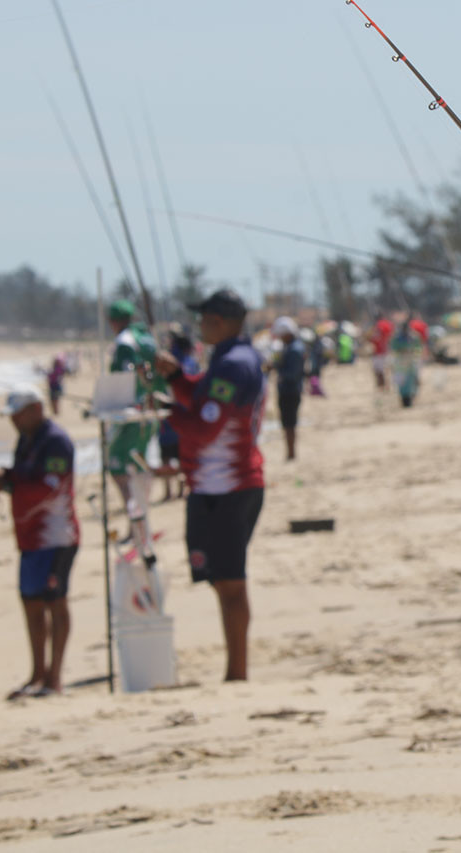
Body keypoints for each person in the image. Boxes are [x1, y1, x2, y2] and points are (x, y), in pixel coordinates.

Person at [155, 288, 265, 682]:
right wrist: (175, 379)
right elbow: (202, 402)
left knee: (231, 583)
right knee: (220, 580)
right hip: (212, 488)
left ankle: (238, 673)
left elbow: (204, 426)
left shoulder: (235, 364)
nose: (199, 327)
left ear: (218, 322)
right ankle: (235, 670)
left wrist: (166, 415)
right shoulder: (226, 360)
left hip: (231, 488)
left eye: (203, 320)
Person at [0, 387, 79, 700]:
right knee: (31, 602)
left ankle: (54, 679)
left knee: (55, 602)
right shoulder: (26, 439)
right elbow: (25, 475)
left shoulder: (56, 441)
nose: (14, 421)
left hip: (56, 536)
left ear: (36, 409)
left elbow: (49, 486)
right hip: (29, 537)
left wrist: (9, 482)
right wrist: (3, 476)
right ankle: (36, 675)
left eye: (18, 414)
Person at [106, 299, 160, 563]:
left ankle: (135, 525)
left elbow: (128, 374)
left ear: (113, 321)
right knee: (139, 467)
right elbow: (151, 372)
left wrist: (116, 402)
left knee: (119, 470)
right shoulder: (146, 338)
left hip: (130, 414)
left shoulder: (125, 342)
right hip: (150, 412)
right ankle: (141, 525)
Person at [155, 326, 196, 501]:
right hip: (181, 416)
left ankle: (169, 491)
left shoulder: (175, 362)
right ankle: (180, 489)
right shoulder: (190, 362)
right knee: (179, 455)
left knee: (168, 455)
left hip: (172, 415)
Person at [272, 316, 304, 461]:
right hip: (289, 390)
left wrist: (279, 371)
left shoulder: (294, 350)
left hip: (290, 391)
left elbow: (293, 373)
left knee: (289, 423)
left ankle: (291, 453)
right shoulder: (292, 347)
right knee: (288, 423)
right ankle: (290, 452)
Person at [391, 318, 423, 408]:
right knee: (404, 383)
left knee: (410, 382)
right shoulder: (400, 338)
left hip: (408, 363)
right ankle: (406, 400)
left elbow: (418, 348)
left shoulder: (413, 337)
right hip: (403, 364)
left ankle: (409, 399)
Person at [367, 312, 394, 390]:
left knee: (379, 370)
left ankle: (382, 386)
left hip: (379, 351)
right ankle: (386, 385)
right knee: (386, 370)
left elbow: (374, 338)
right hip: (387, 350)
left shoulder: (378, 326)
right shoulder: (388, 324)